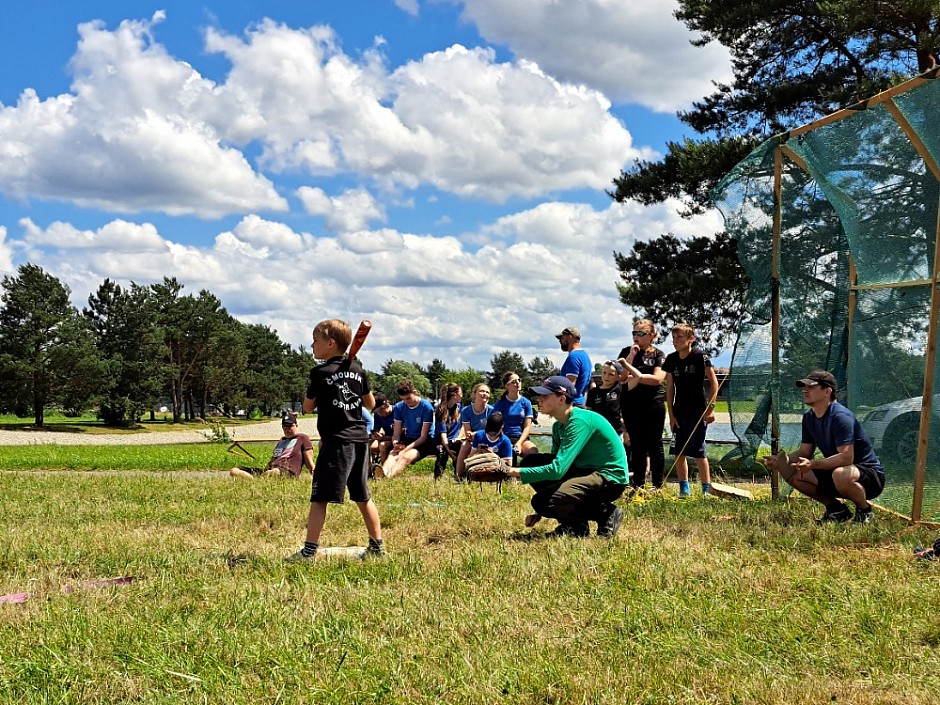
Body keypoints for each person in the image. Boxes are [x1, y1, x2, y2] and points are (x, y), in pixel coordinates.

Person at [286, 319, 384, 561]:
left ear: (330, 343)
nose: (311, 345)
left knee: (319, 497)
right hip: (360, 439)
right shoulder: (357, 368)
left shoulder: (319, 373)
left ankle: (309, 551)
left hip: (336, 442)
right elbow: (370, 404)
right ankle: (377, 546)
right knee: (362, 495)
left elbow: (308, 407)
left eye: (315, 341)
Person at [504, 376, 628, 538]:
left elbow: (557, 470)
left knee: (542, 501)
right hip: (585, 472)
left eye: (545, 396)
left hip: (609, 479)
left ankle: (605, 513)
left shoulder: (579, 422)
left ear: (562, 399)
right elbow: (557, 469)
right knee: (531, 462)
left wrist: (510, 471)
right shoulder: (558, 427)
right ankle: (575, 526)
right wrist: (541, 512)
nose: (539, 400)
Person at [763, 370, 885, 523]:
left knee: (840, 474)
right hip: (839, 472)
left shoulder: (841, 417)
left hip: (870, 477)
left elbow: (847, 457)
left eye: (811, 387)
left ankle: (865, 512)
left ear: (827, 391)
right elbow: (804, 452)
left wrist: (813, 464)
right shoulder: (809, 417)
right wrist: (779, 461)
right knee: (789, 470)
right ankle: (836, 510)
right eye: (804, 386)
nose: (805, 390)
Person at [662, 323, 718, 497]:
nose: (675, 341)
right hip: (679, 411)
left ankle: (706, 489)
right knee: (679, 451)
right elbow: (670, 388)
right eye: (673, 338)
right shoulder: (671, 359)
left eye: (679, 337)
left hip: (698, 411)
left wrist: (711, 409)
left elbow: (714, 383)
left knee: (699, 452)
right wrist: (671, 415)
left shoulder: (700, 356)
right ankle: (683, 489)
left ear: (690, 339)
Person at [617, 319, 667, 491]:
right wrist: (630, 357)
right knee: (636, 444)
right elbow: (622, 377)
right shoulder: (626, 352)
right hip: (631, 404)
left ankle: (657, 485)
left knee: (655, 443)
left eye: (641, 333)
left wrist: (637, 378)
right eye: (634, 333)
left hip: (653, 403)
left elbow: (657, 379)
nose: (636, 337)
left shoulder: (658, 354)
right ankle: (638, 484)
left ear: (652, 335)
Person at [229, 411, 314, 479]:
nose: (287, 430)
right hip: (269, 470)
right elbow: (274, 457)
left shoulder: (302, 438)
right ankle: (256, 480)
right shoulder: (282, 440)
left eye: (290, 426)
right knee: (234, 470)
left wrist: (313, 470)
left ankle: (258, 479)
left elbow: (309, 461)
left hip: (288, 471)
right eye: (285, 427)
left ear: (296, 425)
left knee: (274, 472)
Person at [379, 379, 436, 479]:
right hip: (408, 437)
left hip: (425, 442)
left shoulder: (426, 407)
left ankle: (387, 478)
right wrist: (396, 444)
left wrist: (405, 450)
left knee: (405, 457)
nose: (406, 402)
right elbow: (396, 434)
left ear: (415, 392)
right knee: (393, 454)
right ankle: (382, 473)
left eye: (408, 398)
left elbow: (423, 437)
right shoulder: (399, 407)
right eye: (403, 399)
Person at [493, 371, 538, 462]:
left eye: (519, 380)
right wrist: (505, 441)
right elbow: (496, 425)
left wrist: (519, 443)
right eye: (513, 381)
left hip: (520, 438)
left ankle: (522, 471)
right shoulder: (500, 403)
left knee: (533, 451)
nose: (517, 383)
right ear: (507, 386)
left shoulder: (526, 402)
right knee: (509, 454)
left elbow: (527, 427)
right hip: (504, 437)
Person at [455, 382, 494, 480]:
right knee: (464, 446)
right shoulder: (466, 411)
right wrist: (474, 437)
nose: (485, 394)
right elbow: (467, 432)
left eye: (487, 392)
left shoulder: (492, 411)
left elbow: (492, 431)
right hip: (472, 438)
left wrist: (479, 435)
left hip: (488, 438)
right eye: (481, 391)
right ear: (475, 394)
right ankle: (458, 475)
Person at [586, 360, 628, 437]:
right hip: (597, 432)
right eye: (604, 373)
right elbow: (589, 413)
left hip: (616, 432)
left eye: (611, 374)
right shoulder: (593, 392)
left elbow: (638, 377)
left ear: (618, 377)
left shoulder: (619, 389)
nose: (606, 376)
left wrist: (625, 364)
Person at [433, 383, 464, 479]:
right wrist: (449, 452)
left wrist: (458, 438)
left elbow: (463, 426)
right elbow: (443, 435)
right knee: (442, 453)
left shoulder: (459, 407)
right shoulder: (441, 409)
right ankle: (437, 477)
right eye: (461, 393)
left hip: (456, 439)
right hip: (443, 442)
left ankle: (459, 476)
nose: (462, 395)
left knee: (461, 451)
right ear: (455, 394)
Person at [556, 326, 592, 407]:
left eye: (562, 338)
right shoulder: (584, 355)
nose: (560, 341)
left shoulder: (573, 357)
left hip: (572, 404)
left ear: (570, 337)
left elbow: (570, 385)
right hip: (580, 401)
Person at [369, 393, 395, 471]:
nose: (379, 414)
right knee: (366, 445)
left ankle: (385, 472)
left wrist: (384, 437)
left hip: (398, 440)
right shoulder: (378, 415)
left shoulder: (398, 411)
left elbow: (402, 434)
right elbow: (376, 429)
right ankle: (368, 471)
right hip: (385, 438)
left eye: (380, 410)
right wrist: (375, 435)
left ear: (387, 405)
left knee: (383, 445)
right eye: (376, 412)